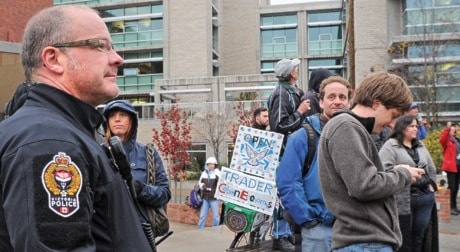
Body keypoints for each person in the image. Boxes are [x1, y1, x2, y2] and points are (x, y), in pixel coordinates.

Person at [0, 5, 153, 251]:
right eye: (101, 45)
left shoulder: (62, 131)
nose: (117, 58)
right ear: (54, 59)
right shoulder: (50, 142)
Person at [318, 72, 426, 252]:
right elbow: (364, 185)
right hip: (364, 243)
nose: (393, 124)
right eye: (393, 115)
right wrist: (403, 174)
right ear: (377, 103)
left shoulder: (351, 127)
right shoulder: (346, 126)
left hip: (366, 242)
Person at [277, 76, 352, 251]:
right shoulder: (302, 137)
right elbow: (287, 182)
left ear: (349, 102)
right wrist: (309, 220)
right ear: (321, 102)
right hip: (318, 230)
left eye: (343, 97)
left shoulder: (355, 136)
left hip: (349, 228)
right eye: (331, 97)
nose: (337, 102)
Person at [103, 100, 171, 238]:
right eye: (112, 116)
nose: (117, 119)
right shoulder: (98, 152)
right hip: (108, 233)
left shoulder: (148, 154)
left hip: (142, 232)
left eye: (122, 115)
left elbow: (164, 194)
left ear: (131, 120)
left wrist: (140, 189)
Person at [379, 115, 438, 252]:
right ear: (402, 127)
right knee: (404, 238)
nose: (415, 129)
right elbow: (383, 170)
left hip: (424, 199)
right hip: (403, 200)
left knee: (419, 237)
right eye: (412, 126)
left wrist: (432, 186)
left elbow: (432, 168)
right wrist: (403, 171)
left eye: (416, 126)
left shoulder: (420, 145)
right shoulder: (390, 146)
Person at [268, 58, 309, 251]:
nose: (298, 70)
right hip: (284, 152)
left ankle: (287, 233)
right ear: (291, 73)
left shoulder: (291, 92)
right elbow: (279, 126)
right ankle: (279, 235)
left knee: (291, 193)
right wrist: (300, 113)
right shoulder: (281, 93)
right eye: (296, 68)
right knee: (282, 194)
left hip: (293, 151)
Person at [439, 121, 460, 215]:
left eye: (455, 129)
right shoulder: (447, 141)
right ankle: (451, 207)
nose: (454, 131)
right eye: (452, 129)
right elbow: (442, 138)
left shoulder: (457, 141)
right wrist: (447, 128)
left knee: (456, 187)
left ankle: (454, 206)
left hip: (458, 166)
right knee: (452, 187)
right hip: (451, 167)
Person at [197, 157, 221, 229]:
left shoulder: (217, 173)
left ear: (215, 165)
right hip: (205, 198)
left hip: (214, 198)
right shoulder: (204, 173)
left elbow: (221, 183)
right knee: (202, 216)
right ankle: (200, 230)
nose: (211, 166)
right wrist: (202, 186)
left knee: (216, 217)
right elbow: (200, 182)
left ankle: (215, 229)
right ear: (207, 165)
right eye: (209, 164)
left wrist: (217, 176)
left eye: (212, 164)